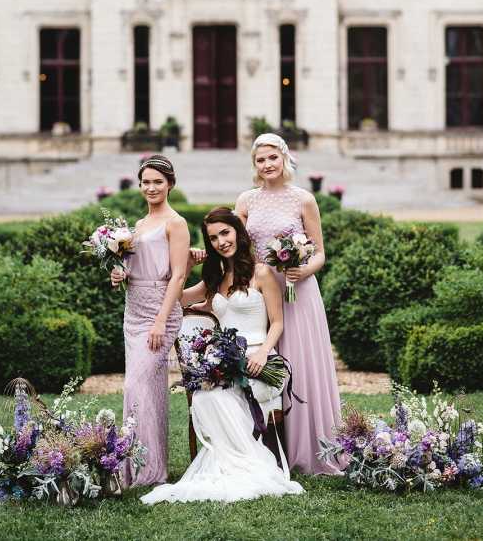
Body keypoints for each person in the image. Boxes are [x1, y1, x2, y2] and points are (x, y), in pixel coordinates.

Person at [141, 207, 304, 505]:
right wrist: (188, 265)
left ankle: (243, 464)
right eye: (213, 238)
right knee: (205, 396)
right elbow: (178, 297)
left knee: (219, 396)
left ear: (238, 233)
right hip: (225, 362)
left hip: (260, 360)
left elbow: (278, 322)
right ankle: (234, 465)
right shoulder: (214, 277)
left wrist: (264, 353)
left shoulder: (261, 272)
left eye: (225, 233)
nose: (221, 241)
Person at [235, 133, 342, 476]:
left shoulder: (303, 199)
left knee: (300, 363)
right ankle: (266, 446)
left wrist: (301, 269)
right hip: (261, 293)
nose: (267, 165)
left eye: (272, 158)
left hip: (299, 293)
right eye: (260, 160)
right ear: (254, 165)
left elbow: (320, 252)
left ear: (284, 159)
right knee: (265, 359)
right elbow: (232, 245)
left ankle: (310, 448)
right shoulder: (246, 200)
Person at [111, 154, 190, 487]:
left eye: (158, 181)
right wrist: (119, 274)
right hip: (134, 312)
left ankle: (146, 468)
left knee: (135, 385)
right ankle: (144, 467)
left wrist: (161, 321)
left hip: (161, 312)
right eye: (146, 182)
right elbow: (134, 269)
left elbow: (179, 275)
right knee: (146, 390)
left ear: (170, 184)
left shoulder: (176, 223)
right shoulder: (137, 226)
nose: (151, 187)